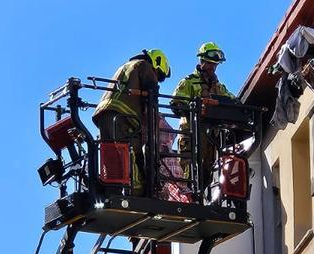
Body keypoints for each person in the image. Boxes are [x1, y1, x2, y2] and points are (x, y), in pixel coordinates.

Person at [92, 49, 171, 194]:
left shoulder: (125, 67)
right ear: (157, 62)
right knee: (131, 152)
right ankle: (135, 191)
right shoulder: (144, 66)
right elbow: (152, 94)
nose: (156, 77)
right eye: (158, 74)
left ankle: (113, 189)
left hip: (104, 114)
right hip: (124, 116)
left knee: (112, 154)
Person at [170, 42, 233, 192]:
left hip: (211, 135)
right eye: (210, 63)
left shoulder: (219, 87)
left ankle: (201, 195)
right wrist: (195, 110)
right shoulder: (189, 82)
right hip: (191, 132)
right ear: (202, 61)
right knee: (189, 164)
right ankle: (186, 194)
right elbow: (176, 103)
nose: (213, 67)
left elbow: (233, 101)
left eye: (215, 65)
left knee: (208, 168)